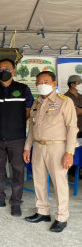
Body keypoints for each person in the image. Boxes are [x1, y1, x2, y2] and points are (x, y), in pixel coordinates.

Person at [23, 71, 78, 232]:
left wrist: (69, 152)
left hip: (58, 147)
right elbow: (32, 128)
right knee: (39, 181)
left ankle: (62, 217)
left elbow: (72, 127)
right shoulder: (36, 102)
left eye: (46, 81)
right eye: (39, 82)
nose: (42, 85)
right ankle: (42, 212)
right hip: (38, 147)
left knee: (59, 184)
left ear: (54, 83)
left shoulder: (64, 101)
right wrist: (27, 147)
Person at [0, 58, 34, 217]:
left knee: (18, 171)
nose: (3, 71)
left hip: (17, 138)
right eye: (0, 69)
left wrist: (15, 124)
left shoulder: (23, 88)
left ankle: (16, 202)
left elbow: (28, 112)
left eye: (7, 68)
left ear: (14, 71)